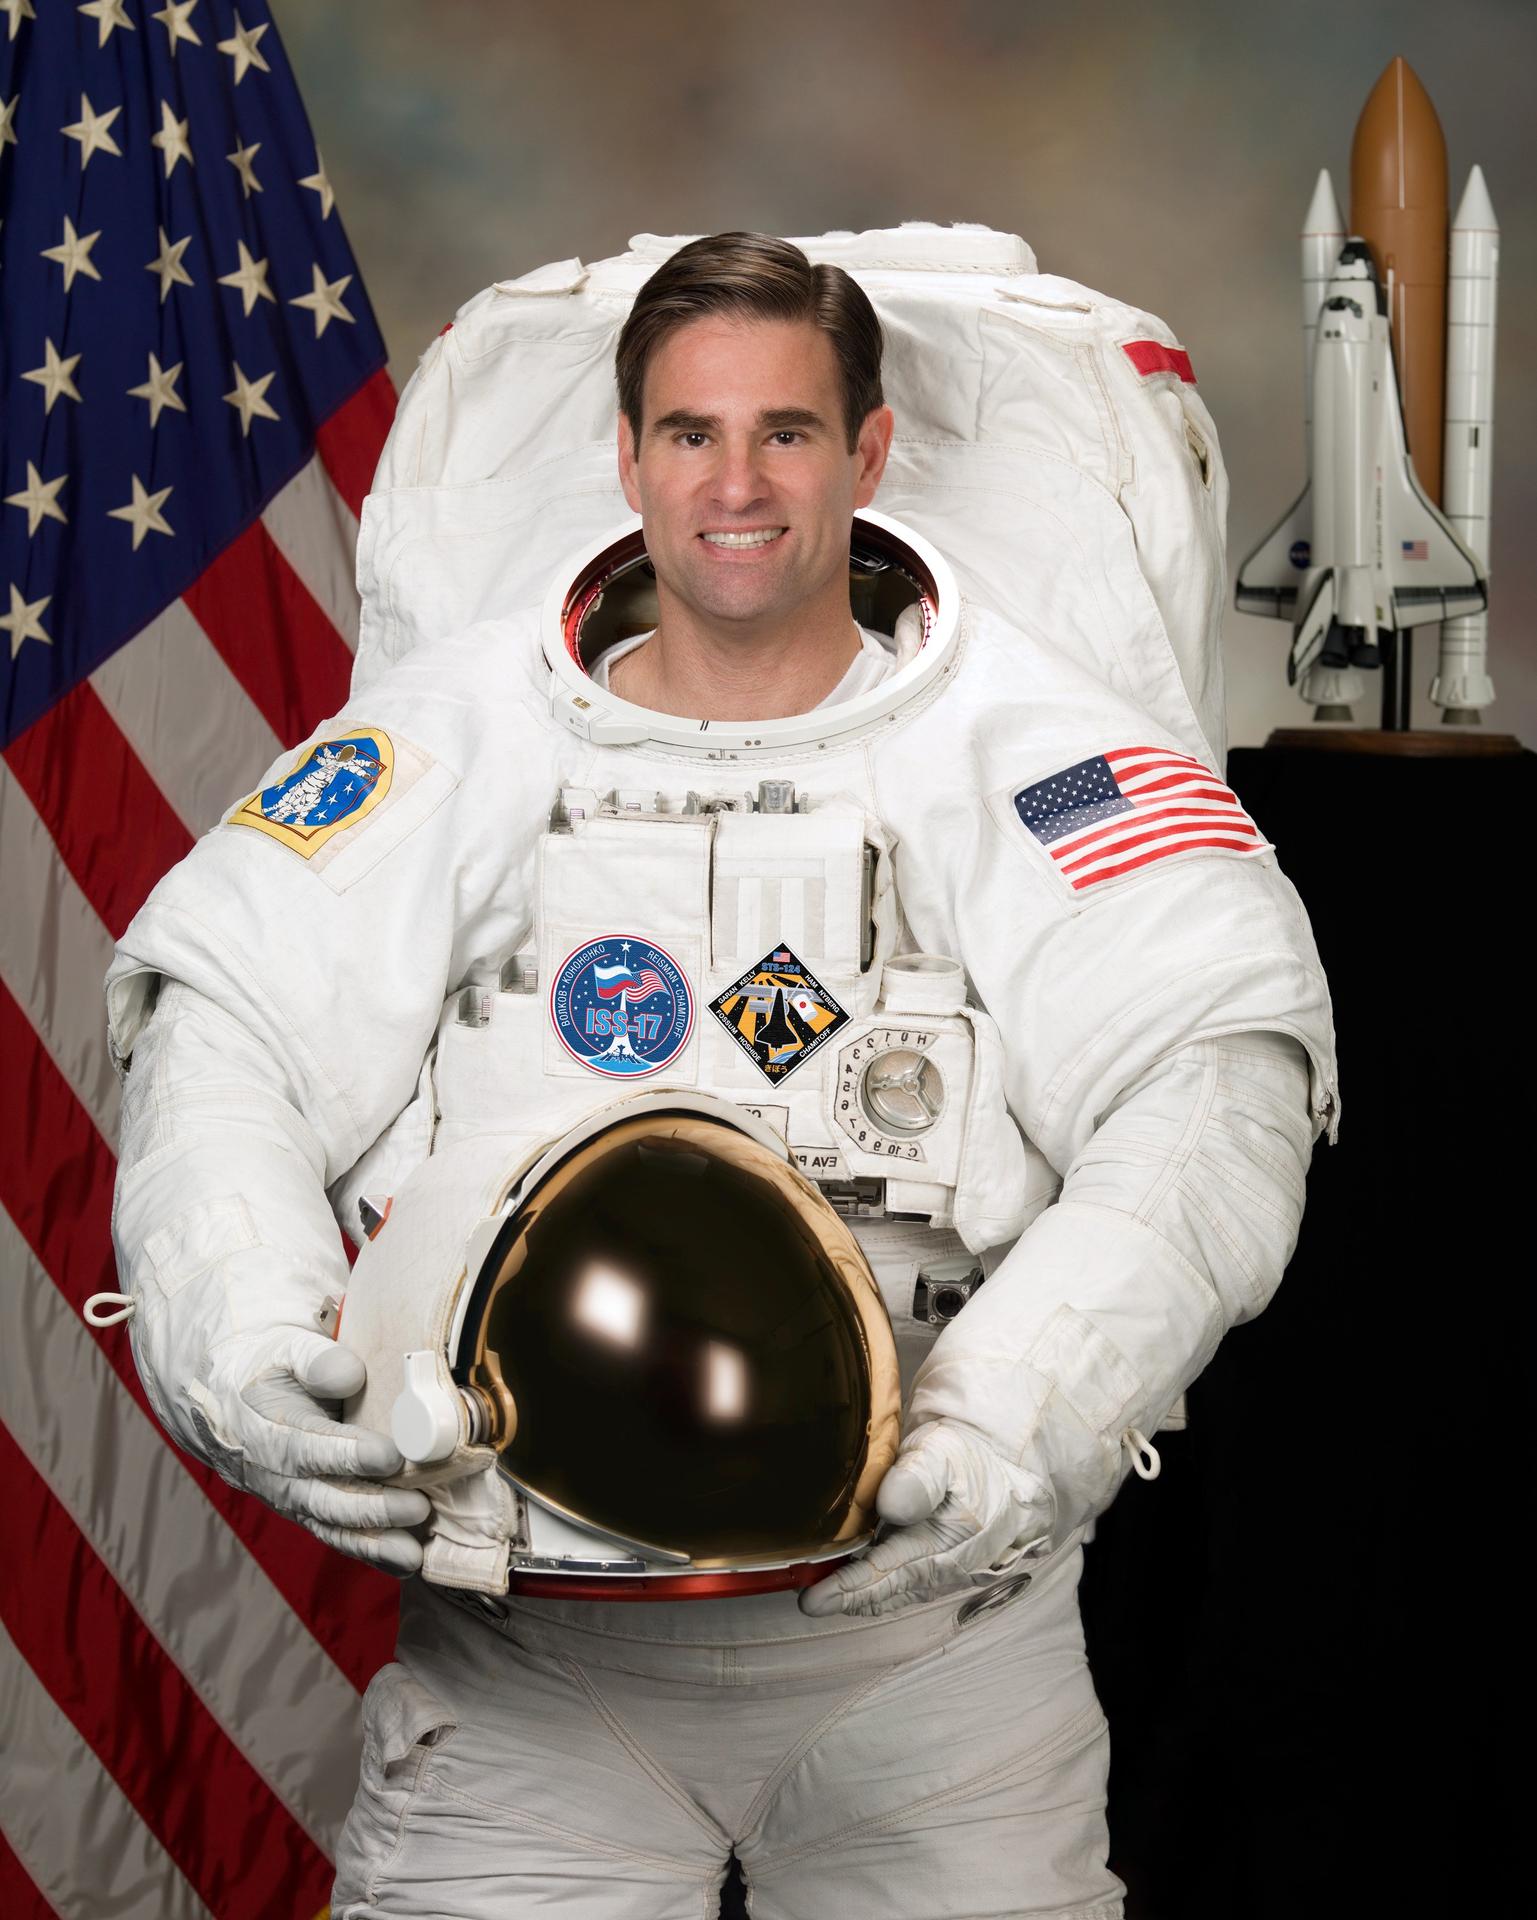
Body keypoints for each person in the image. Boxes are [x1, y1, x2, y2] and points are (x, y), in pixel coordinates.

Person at [105, 233, 1337, 1919]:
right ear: (625, 459)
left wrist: (1007, 1423)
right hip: (527, 1657)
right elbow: (224, 1034)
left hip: (929, 1656)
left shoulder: (1036, 760)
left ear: (869, 451)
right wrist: (234, 1337)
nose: (733, 481)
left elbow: (1213, 1090)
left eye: (786, 432)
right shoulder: (451, 740)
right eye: (690, 433)